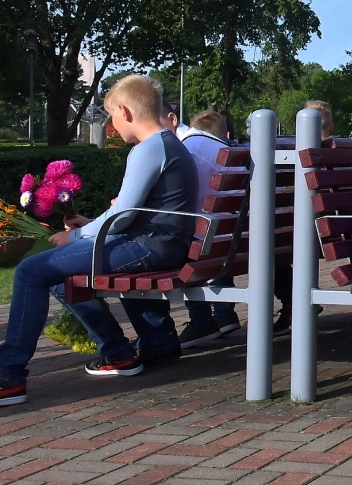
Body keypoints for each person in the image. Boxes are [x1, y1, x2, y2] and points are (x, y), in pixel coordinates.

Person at [0, 76, 199, 406]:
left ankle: (8, 374)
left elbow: (121, 217)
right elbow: (134, 213)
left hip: (149, 247)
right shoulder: (168, 144)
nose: (113, 124)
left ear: (125, 111)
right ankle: (124, 352)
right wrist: (91, 224)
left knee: (31, 271)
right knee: (58, 277)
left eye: (112, 116)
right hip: (162, 243)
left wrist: (75, 235)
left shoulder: (148, 149)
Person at [167, 110, 242, 347]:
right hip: (240, 240)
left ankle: (201, 320)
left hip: (211, 242)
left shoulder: (187, 149)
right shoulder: (230, 152)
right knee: (215, 237)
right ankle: (224, 314)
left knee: (183, 242)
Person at [274, 99, 335, 334]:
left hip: (310, 232)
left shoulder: (295, 153)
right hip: (336, 230)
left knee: (266, 246)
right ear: (331, 127)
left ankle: (290, 303)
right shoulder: (335, 150)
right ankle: (293, 303)